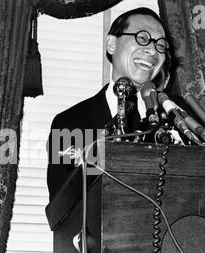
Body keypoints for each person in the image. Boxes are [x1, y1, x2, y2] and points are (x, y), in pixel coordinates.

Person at [46, 7, 175, 202]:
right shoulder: (68, 123)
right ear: (112, 44)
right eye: (142, 38)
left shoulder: (177, 114)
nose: (152, 50)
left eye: (160, 45)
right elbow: (61, 206)